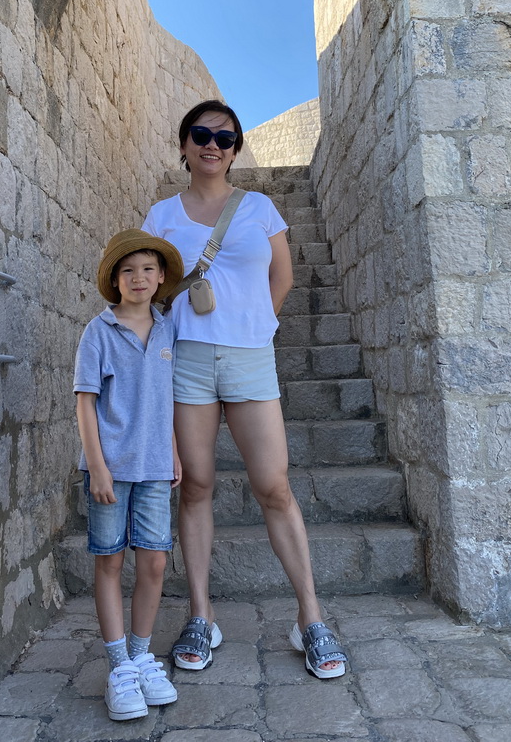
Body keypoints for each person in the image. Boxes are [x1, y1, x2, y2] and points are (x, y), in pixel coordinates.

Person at [142, 100, 347, 680]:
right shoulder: (161, 215)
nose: (214, 145)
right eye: (201, 135)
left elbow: (281, 276)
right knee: (197, 485)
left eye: (225, 138)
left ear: (235, 149)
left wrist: (262, 323)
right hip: (187, 359)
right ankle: (201, 614)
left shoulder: (258, 207)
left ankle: (310, 616)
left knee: (273, 485)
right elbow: (150, 289)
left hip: (250, 358)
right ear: (183, 145)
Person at [73, 229, 185, 720]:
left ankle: (142, 658)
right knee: (110, 562)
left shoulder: (167, 330)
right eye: (127, 270)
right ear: (114, 280)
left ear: (160, 278)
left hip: (157, 468)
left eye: (147, 269)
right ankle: (118, 666)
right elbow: (85, 402)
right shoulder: (98, 331)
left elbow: (166, 399)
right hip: (111, 470)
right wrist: (96, 465)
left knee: (155, 562)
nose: (138, 278)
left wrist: (175, 451)